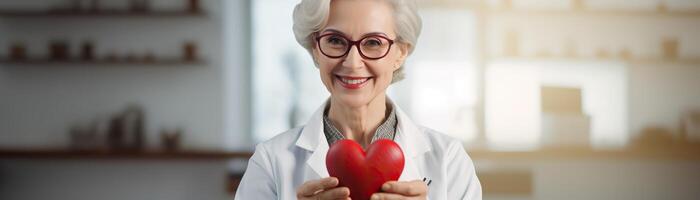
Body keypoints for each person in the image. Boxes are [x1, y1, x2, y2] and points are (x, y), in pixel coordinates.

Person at [235, 0, 482, 199]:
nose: (352, 63)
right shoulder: (270, 160)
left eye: (373, 42)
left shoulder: (449, 160)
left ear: (400, 52)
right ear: (315, 49)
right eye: (334, 40)